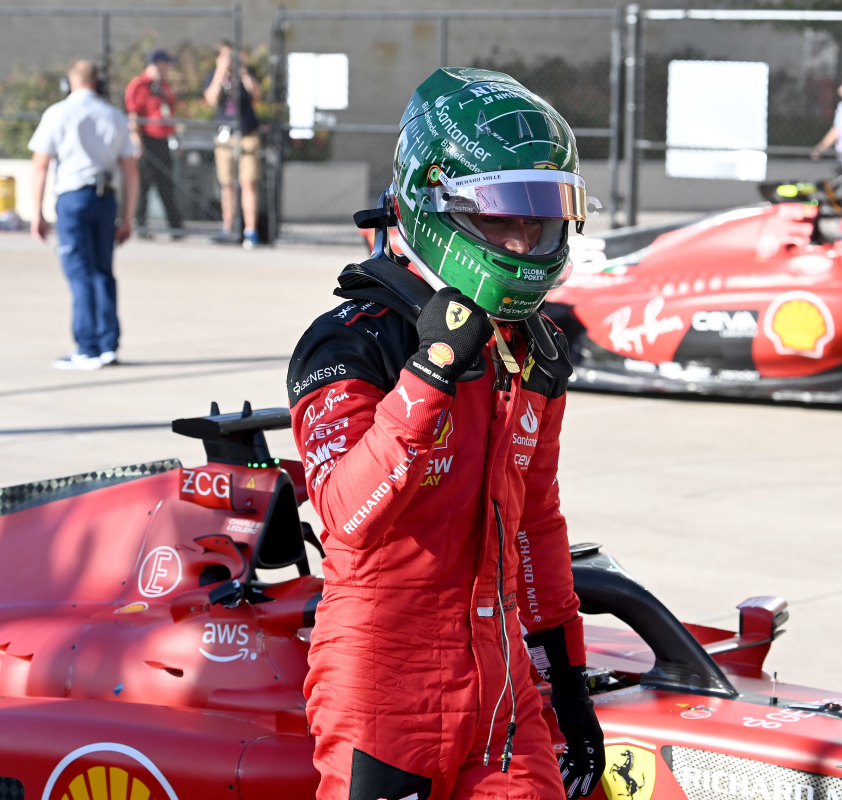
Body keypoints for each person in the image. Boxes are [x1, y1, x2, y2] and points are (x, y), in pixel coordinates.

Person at [286, 68, 605, 800]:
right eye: (502, 216)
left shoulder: (529, 347)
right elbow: (344, 515)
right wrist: (428, 377)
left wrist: (571, 683)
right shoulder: (348, 344)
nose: (525, 237)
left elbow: (538, 522)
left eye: (542, 216)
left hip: (503, 686)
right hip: (382, 685)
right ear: (437, 202)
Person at [29, 60, 139, 370]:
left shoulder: (58, 113)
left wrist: (36, 212)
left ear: (70, 84)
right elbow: (131, 170)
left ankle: (87, 347)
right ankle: (107, 345)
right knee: (102, 272)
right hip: (105, 200)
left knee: (79, 272)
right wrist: (128, 217)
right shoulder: (114, 116)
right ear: (98, 84)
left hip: (73, 197)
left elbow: (41, 165)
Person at [203, 41, 263, 249]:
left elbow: (257, 94)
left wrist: (244, 72)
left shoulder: (247, 73)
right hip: (224, 136)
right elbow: (210, 99)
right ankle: (227, 227)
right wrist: (221, 72)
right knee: (226, 183)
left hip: (246, 133)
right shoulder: (213, 75)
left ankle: (250, 230)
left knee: (248, 182)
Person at [124, 49, 184, 236]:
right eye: (165, 64)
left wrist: (176, 139)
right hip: (146, 141)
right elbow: (133, 115)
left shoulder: (164, 87)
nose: (167, 68)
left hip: (163, 140)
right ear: (158, 63)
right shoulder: (139, 85)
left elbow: (169, 116)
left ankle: (176, 227)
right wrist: (137, 142)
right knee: (144, 185)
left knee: (166, 184)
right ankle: (141, 226)